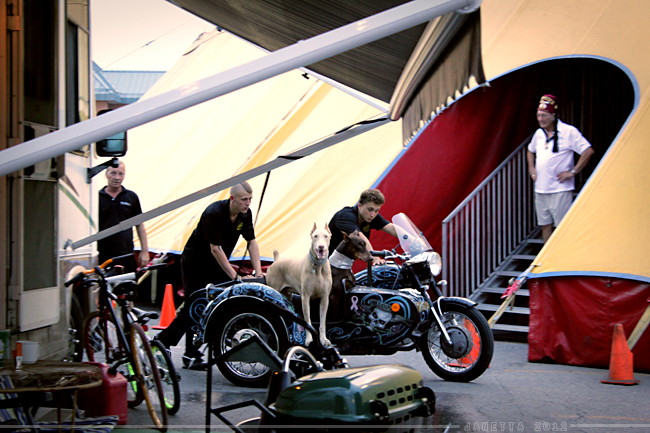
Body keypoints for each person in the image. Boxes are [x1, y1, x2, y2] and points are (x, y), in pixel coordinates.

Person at [155, 181, 263, 370]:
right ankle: (168, 344)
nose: (248, 203)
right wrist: (235, 277)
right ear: (232, 199)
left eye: (250, 199)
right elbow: (215, 248)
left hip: (218, 262)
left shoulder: (245, 214)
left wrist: (259, 272)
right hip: (196, 261)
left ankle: (193, 348)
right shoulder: (214, 213)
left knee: (221, 302)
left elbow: (252, 242)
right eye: (244, 199)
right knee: (196, 305)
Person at [527, 94, 594, 242]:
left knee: (561, 228)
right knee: (545, 225)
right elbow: (530, 150)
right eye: (538, 115)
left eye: (544, 115)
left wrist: (573, 172)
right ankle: (547, 255)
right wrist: (532, 169)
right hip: (541, 189)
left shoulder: (568, 131)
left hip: (560, 189)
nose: (541, 119)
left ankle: (562, 256)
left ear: (553, 115)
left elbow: (587, 151)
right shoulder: (539, 134)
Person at [98, 160, 149, 271]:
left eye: (121, 174)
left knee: (128, 281)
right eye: (113, 173)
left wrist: (144, 251)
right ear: (106, 174)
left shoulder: (131, 197)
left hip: (126, 254)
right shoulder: (97, 197)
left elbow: (139, 225)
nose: (117, 177)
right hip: (103, 255)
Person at [328, 189, 398, 265]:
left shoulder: (370, 216)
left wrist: (408, 237)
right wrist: (375, 259)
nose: (373, 215)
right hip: (326, 264)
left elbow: (392, 228)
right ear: (359, 205)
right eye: (370, 209)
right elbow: (360, 238)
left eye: (376, 211)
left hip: (343, 265)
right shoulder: (345, 216)